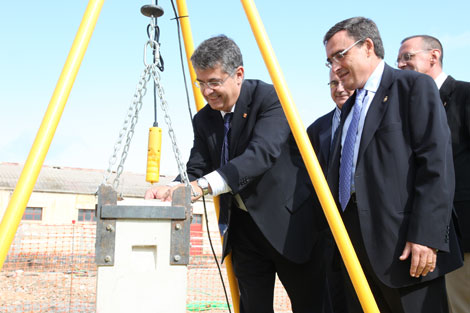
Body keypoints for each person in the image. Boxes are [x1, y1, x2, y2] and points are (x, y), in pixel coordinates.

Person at [145, 35, 328, 313]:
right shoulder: (204, 119)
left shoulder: (270, 98)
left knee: (311, 305)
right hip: (243, 231)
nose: (207, 92)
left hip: (290, 226)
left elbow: (260, 155)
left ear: (238, 74)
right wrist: (173, 186)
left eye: (214, 82)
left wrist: (201, 187)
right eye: (201, 83)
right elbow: (197, 166)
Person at [322, 17, 463, 313]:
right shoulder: (348, 109)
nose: (335, 67)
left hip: (407, 251)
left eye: (339, 55)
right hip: (354, 251)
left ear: (368, 46)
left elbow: (436, 166)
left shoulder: (413, 87)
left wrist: (426, 235)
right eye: (329, 61)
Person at [398, 34, 470, 313]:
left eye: (407, 57)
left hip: (463, 236)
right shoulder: (402, 108)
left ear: (434, 56)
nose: (400, 65)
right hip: (417, 241)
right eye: (397, 60)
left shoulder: (464, 95)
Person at [307, 69, 353, 313]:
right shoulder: (316, 129)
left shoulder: (373, 120)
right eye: (333, 83)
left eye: (344, 81)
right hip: (327, 235)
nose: (339, 88)